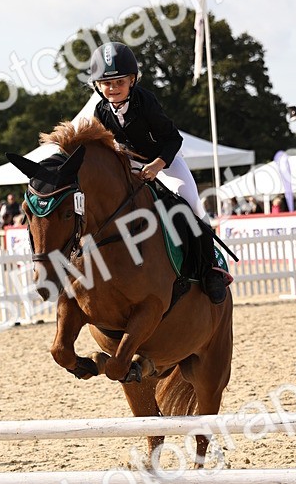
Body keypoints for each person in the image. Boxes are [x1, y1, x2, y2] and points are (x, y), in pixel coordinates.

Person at [73, 42, 229, 303]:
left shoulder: (146, 102)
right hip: (130, 165)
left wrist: (157, 165)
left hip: (164, 160)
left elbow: (173, 139)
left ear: (132, 80)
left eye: (119, 82)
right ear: (97, 86)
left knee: (190, 201)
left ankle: (211, 268)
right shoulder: (100, 110)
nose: (113, 88)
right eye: (107, 83)